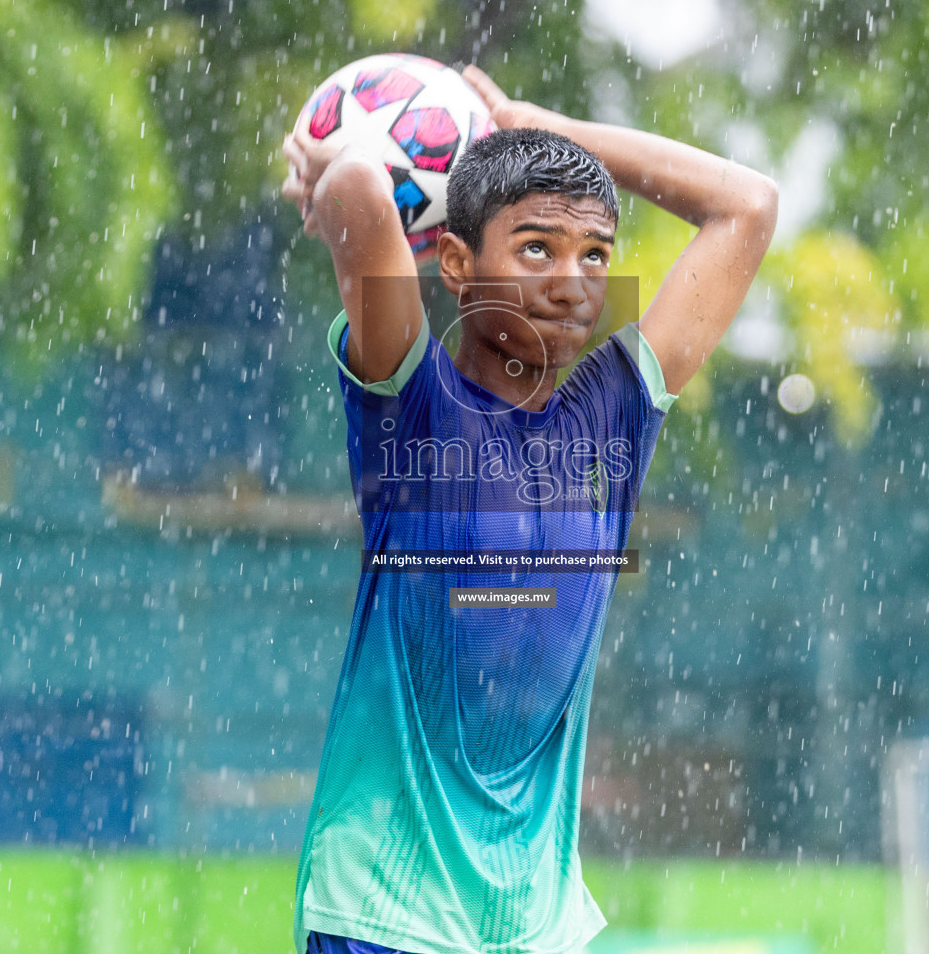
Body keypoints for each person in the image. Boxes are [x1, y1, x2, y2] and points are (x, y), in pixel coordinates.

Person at [279, 65, 778, 954]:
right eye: (536, 249)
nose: (573, 282)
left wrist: (535, 126)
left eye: (595, 256)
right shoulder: (415, 405)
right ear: (457, 262)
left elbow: (747, 204)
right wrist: (341, 165)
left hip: (534, 929)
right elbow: (358, 185)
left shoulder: (611, 420)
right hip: (389, 915)